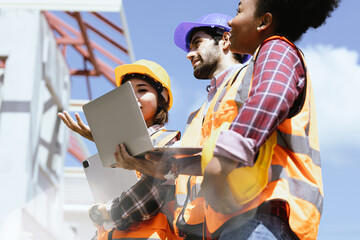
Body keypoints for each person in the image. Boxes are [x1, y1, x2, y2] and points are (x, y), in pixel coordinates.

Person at [199, 0, 341, 240]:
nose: (231, 21)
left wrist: (224, 159)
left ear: (264, 21)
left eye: (239, 11)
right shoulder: (261, 60)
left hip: (262, 216)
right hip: (248, 216)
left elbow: (272, 94)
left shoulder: (275, 47)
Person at [58, 59, 182, 240]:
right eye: (128, 93)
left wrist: (102, 211)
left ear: (162, 97)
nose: (135, 97)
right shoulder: (117, 146)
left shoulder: (168, 142)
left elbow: (148, 199)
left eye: (142, 90)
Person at [171, 13, 250, 239]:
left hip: (241, 218)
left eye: (197, 43)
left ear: (225, 40)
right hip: (202, 227)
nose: (189, 54)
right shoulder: (198, 114)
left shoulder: (251, 78)